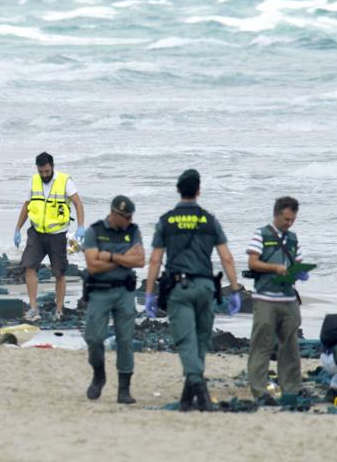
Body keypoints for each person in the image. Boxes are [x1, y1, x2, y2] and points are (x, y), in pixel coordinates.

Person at [144, 169, 242, 412]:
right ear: (198, 191)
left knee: (185, 342)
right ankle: (189, 399)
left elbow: (155, 260)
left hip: (179, 287)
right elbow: (226, 258)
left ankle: (199, 389)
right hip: (207, 287)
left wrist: (149, 293)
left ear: (179, 190)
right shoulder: (209, 220)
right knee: (199, 342)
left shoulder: (167, 220)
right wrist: (236, 290)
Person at [246, 196, 309, 404]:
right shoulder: (261, 234)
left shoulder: (293, 239)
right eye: (286, 219)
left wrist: (300, 273)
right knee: (261, 344)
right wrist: (275, 268)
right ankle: (258, 389)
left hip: (289, 298)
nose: (289, 223)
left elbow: (297, 262)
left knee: (290, 345)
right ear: (276, 215)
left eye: (292, 220)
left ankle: (292, 388)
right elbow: (253, 263)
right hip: (265, 297)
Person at [82, 195, 144, 405]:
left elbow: (140, 260)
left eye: (130, 216)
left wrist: (109, 256)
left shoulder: (133, 231)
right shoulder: (95, 231)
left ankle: (124, 389)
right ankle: (99, 375)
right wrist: (124, 260)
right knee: (94, 338)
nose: (129, 220)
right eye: (125, 216)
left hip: (124, 292)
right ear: (114, 214)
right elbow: (92, 265)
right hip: (99, 291)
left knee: (125, 340)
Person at [13, 152, 85, 322]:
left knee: (59, 272)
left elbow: (78, 204)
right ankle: (33, 308)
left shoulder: (65, 181)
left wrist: (80, 227)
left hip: (57, 235)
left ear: (52, 166)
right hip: (36, 233)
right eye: (41, 172)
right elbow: (27, 205)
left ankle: (59, 310)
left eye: (46, 171)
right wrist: (17, 228)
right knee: (29, 266)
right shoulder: (34, 180)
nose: (44, 175)